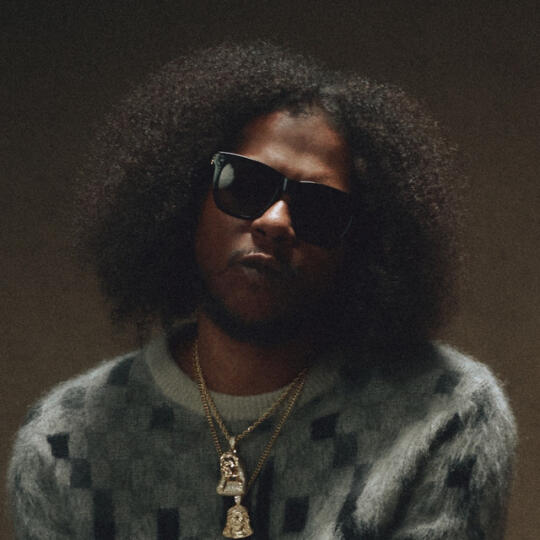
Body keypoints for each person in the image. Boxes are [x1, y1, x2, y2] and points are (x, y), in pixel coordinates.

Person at [8, 42, 516, 539]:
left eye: (318, 208)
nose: (274, 222)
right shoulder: (65, 442)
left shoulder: (444, 412)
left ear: (361, 244)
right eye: (245, 184)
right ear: (187, 199)